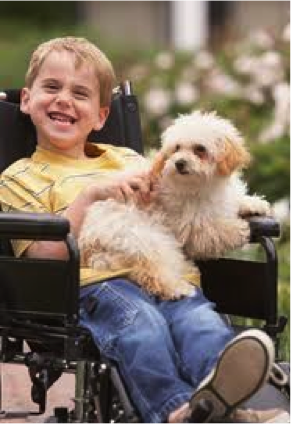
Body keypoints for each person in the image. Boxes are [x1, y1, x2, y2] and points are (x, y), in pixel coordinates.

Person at [0, 37, 289, 424]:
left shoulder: (130, 159)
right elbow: (42, 257)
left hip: (170, 274)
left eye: (80, 93)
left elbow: (184, 200)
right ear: (25, 101)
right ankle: (176, 411)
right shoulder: (19, 175)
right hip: (96, 284)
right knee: (143, 326)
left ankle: (235, 403)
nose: (64, 100)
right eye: (51, 87)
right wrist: (89, 196)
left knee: (201, 324)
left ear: (102, 116)